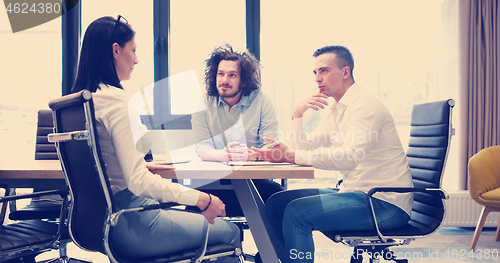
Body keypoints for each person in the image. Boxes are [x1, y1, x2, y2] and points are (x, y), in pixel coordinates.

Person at [71, 16, 241, 261]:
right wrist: (203, 199)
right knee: (230, 232)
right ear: (116, 50)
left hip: (97, 224)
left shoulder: (84, 102)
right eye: (134, 50)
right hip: (134, 222)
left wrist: (133, 163)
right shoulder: (118, 104)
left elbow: (100, 163)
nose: (137, 59)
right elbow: (138, 182)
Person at [252, 45, 414, 262]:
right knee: (276, 203)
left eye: (324, 71)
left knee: (297, 212)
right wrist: (297, 114)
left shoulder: (365, 106)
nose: (318, 78)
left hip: (384, 204)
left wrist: (290, 155)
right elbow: (304, 149)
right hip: (356, 194)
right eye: (315, 72)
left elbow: (348, 158)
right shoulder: (335, 109)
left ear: (345, 72)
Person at [190, 44, 285, 217]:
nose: (224, 80)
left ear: (244, 79)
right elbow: (201, 147)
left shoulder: (262, 102)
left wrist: (252, 155)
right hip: (213, 182)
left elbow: (271, 146)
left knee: (281, 200)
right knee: (191, 202)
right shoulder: (202, 102)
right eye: (221, 74)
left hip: (254, 180)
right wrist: (223, 155)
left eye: (232, 75)